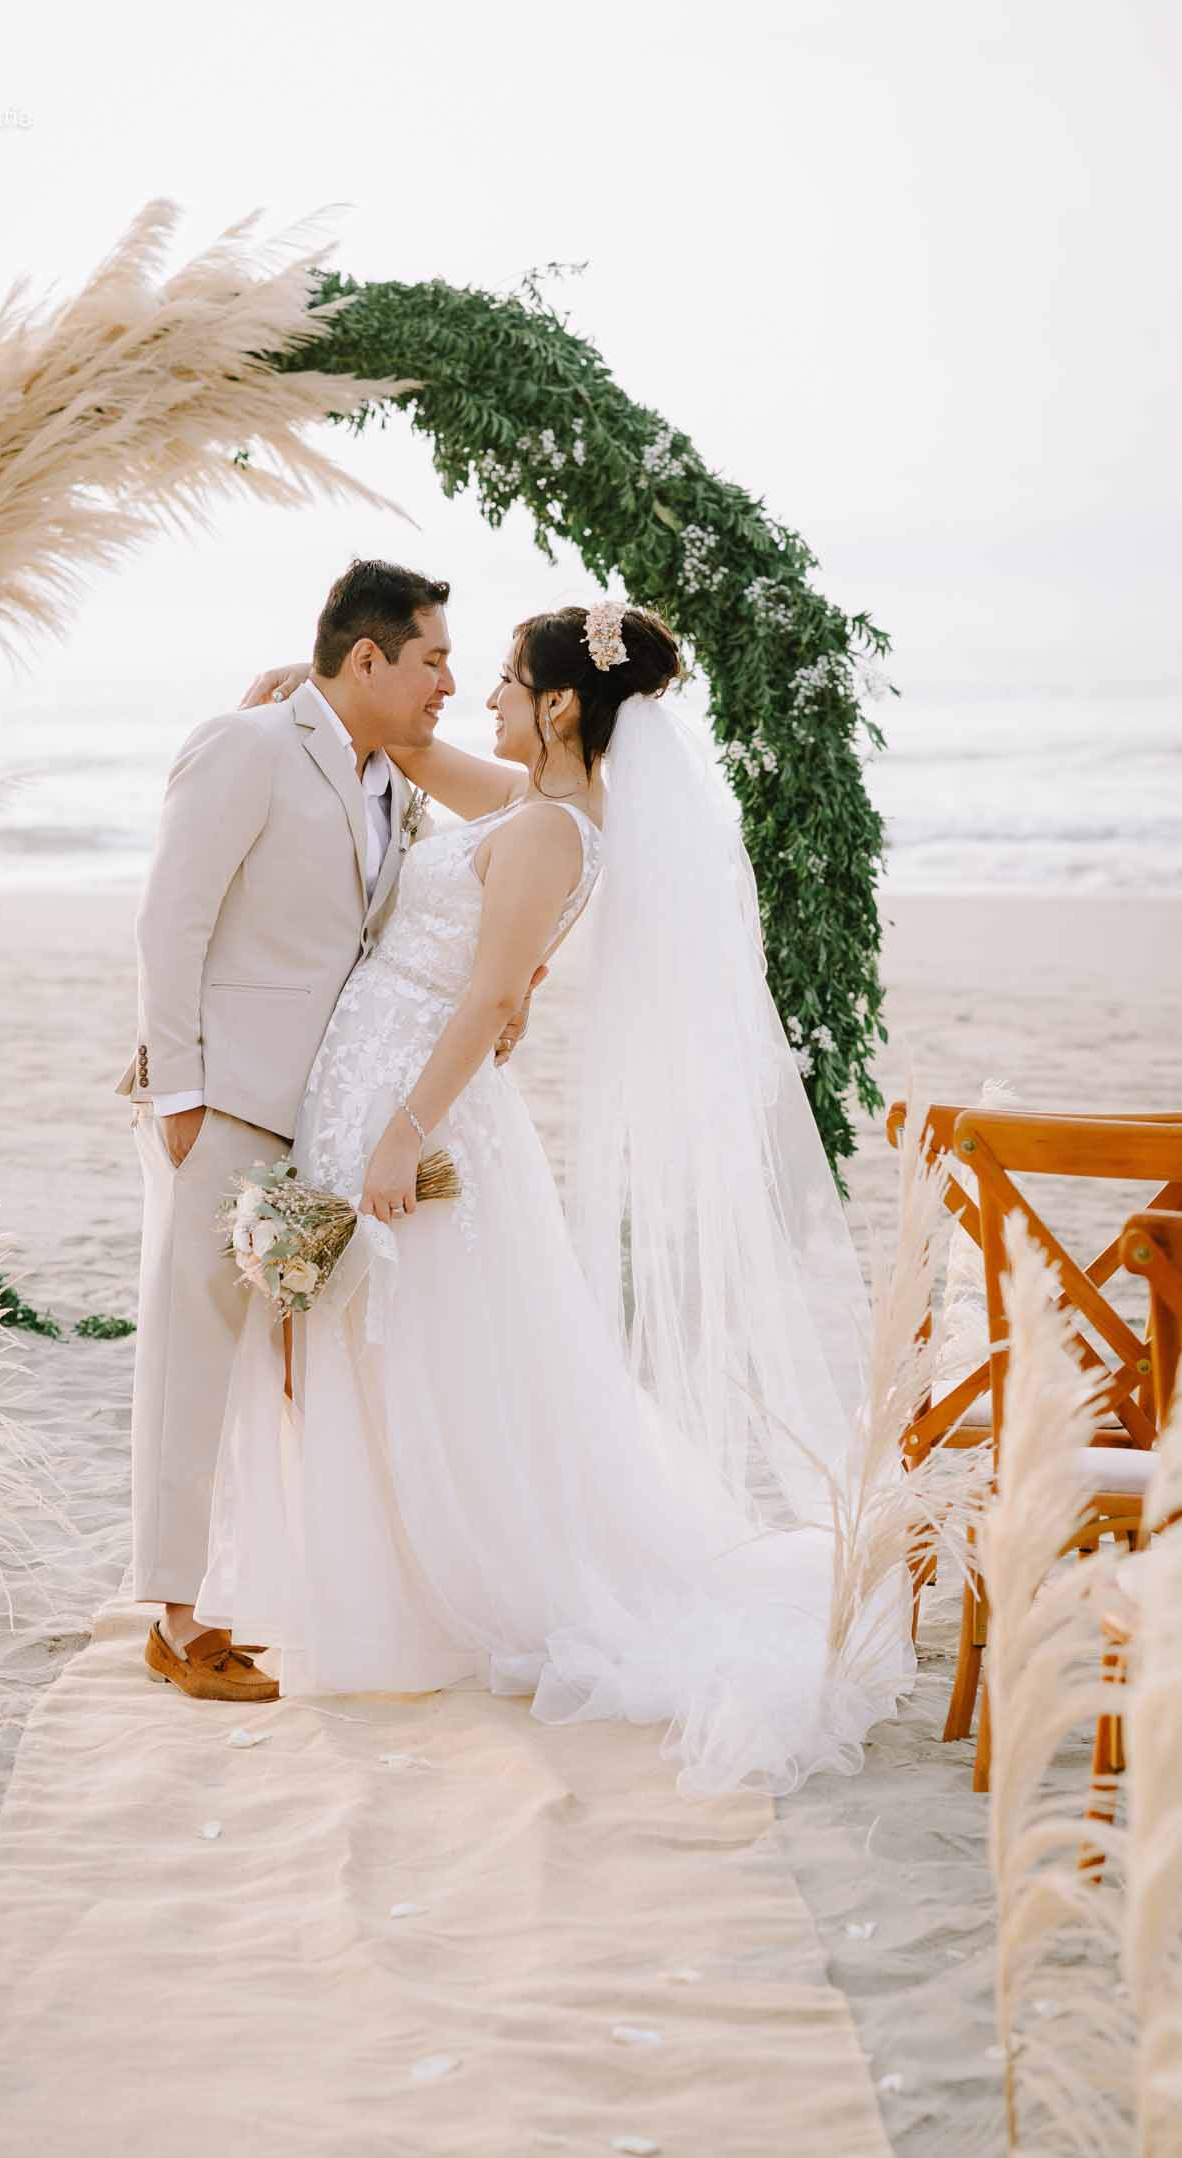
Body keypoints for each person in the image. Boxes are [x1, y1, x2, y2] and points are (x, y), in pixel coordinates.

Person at [196, 601, 914, 1799]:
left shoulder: (545, 832)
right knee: (392, 1348)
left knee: (414, 1348)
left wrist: (401, 1135)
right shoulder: (531, 807)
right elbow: (411, 747)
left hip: (415, 1108)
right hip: (379, 1080)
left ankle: (422, 1591)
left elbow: (486, 998)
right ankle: (374, 1572)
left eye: (504, 683)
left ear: (561, 704)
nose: (482, 697)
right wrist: (308, 685)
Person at [119, 559, 536, 1703]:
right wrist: (179, 1095)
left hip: (327, 1115)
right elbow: (169, 920)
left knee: (294, 1368)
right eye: (432, 660)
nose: (446, 683)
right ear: (366, 658)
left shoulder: (391, 780)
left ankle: (254, 1587)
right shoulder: (246, 745)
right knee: (194, 1352)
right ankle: (174, 1621)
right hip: (227, 1103)